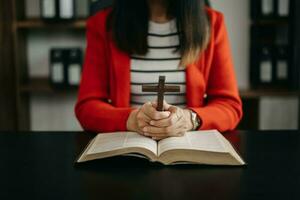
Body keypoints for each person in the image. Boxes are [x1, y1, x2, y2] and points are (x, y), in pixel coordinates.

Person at [75, 0, 243, 140]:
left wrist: (190, 119)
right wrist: (131, 119)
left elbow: (229, 106)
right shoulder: (103, 24)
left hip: (187, 147)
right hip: (130, 146)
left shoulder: (213, 23)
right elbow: (87, 107)